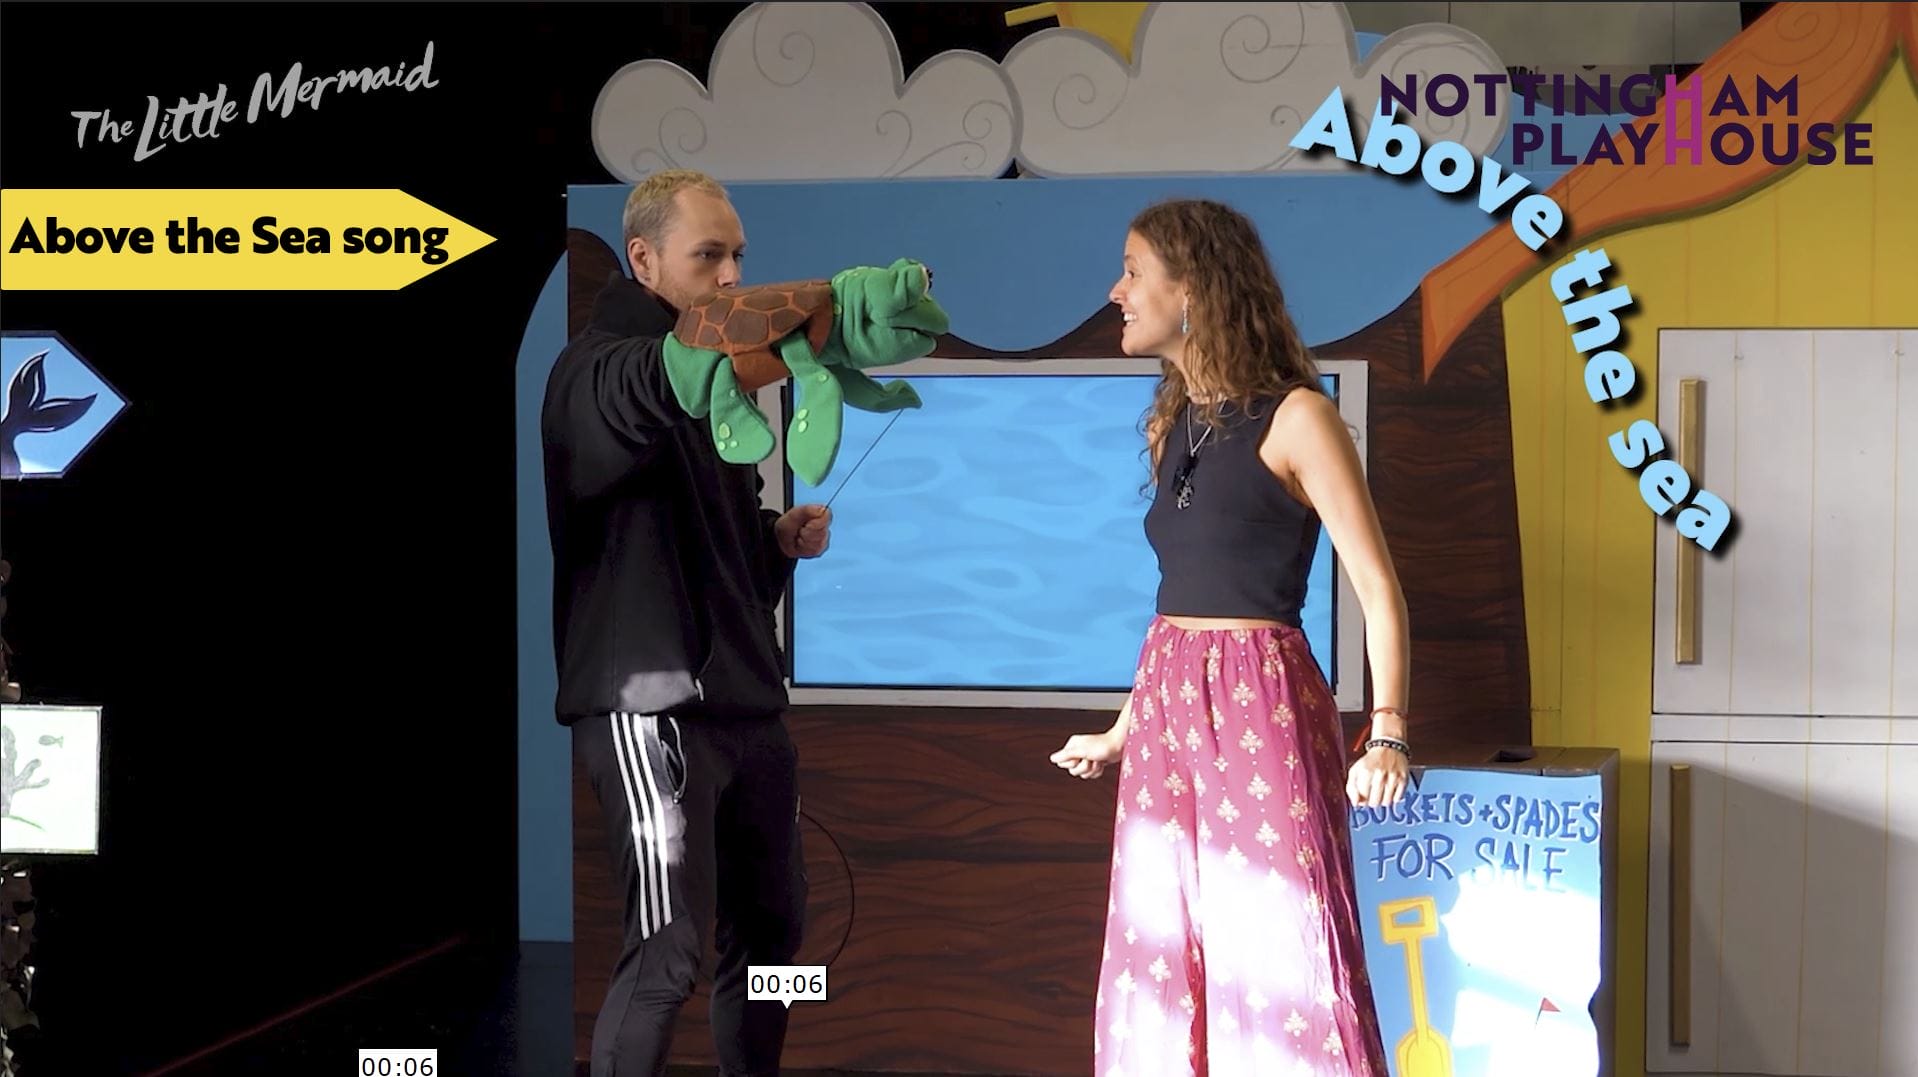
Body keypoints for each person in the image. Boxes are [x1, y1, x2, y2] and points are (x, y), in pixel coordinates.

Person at [1050, 198, 1411, 1076]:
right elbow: (1181, 604)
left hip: (1261, 700)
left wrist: (1389, 731)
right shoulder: (1171, 423)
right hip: (1168, 705)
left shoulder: (1299, 418)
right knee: (1162, 942)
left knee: (1278, 936)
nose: (1115, 291)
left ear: (1193, 288)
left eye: (1132, 271)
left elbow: (1377, 587)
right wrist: (1122, 730)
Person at [541, 168, 831, 1077]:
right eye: (709, 255)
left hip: (747, 707)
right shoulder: (594, 370)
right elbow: (650, 386)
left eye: (738, 254)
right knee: (668, 955)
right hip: (651, 712)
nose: (731, 274)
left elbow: (722, 561)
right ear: (643, 259)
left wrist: (772, 542)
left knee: (775, 937)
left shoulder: (716, 387)